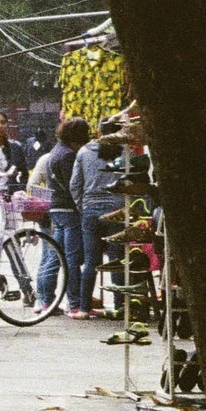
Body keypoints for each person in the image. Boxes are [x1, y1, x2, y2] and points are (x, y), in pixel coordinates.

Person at [67, 120, 129, 318]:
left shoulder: (84, 152)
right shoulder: (126, 153)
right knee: (116, 260)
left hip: (91, 211)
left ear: (99, 132)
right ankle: (120, 307)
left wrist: (82, 205)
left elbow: (75, 184)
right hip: (117, 211)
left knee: (91, 261)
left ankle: (84, 308)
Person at [33, 117, 89, 308]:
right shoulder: (67, 155)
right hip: (68, 209)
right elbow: (72, 185)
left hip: (56, 208)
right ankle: (74, 302)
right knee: (71, 259)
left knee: (55, 255)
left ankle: (45, 299)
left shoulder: (55, 152)